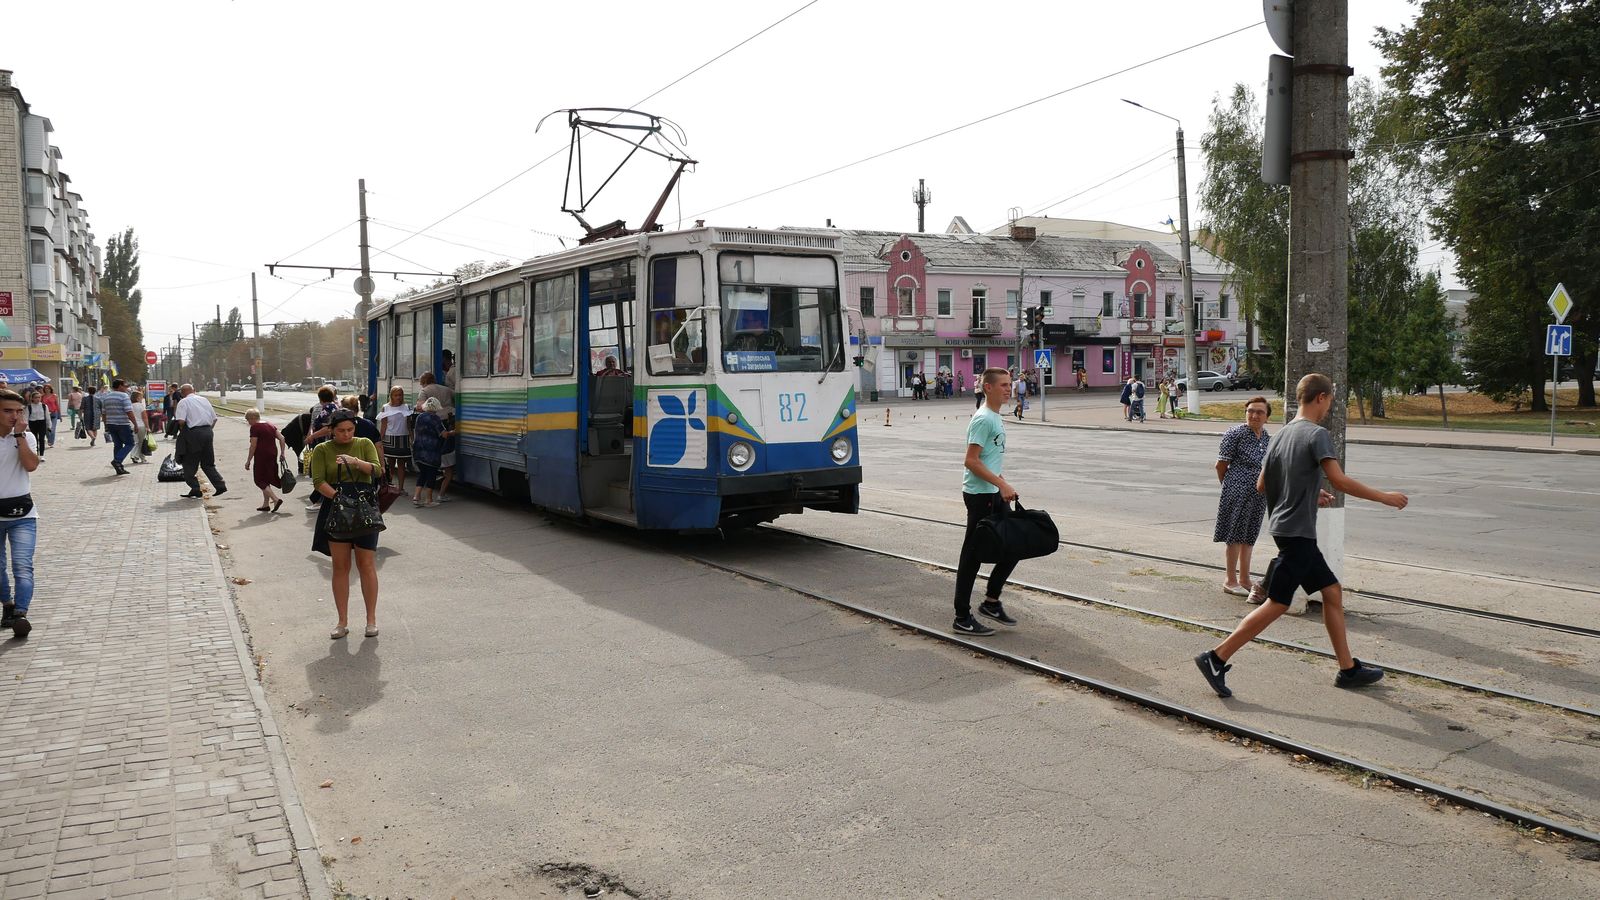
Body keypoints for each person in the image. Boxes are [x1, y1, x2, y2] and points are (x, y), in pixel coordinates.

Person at [1194, 374, 1409, 698]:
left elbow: (1262, 485)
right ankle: (1216, 657)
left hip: (1286, 529)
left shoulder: (1278, 437)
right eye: (1330, 401)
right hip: (1298, 533)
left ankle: (1348, 669)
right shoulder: (1316, 434)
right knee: (1277, 603)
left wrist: (1310, 494)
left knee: (1332, 593)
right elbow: (1340, 480)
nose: (1328, 408)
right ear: (1321, 398)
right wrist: (1385, 497)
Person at [951, 367, 1022, 637]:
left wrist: (1003, 482)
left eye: (1009, 384)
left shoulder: (995, 416)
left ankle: (991, 602)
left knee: (1013, 545)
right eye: (1003, 385)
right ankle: (961, 616)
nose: (1008, 388)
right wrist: (1001, 484)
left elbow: (989, 459)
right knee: (972, 556)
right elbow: (970, 461)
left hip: (992, 492)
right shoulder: (984, 419)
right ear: (988, 388)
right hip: (980, 497)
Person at [309, 410, 382, 639]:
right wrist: (340, 500)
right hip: (336, 508)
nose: (346, 435)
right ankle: (342, 622)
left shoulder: (364, 443)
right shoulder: (322, 449)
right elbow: (318, 481)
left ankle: (371, 620)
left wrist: (355, 461)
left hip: (364, 509)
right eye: (341, 431)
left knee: (366, 564)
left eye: (350, 430)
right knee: (340, 567)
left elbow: (377, 470)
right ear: (331, 430)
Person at [1215, 397, 1272, 599]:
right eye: (1250, 411)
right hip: (1237, 491)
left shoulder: (1266, 437)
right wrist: (1232, 486)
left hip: (1259, 493)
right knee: (1235, 535)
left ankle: (1245, 579)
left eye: (1259, 412)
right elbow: (1220, 465)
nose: (1254, 415)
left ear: (1267, 417)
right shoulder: (1235, 433)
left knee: (1249, 535)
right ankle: (1230, 580)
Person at [0, 388, 41, 640]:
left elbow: (31, 465)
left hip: (22, 513)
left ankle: (21, 614)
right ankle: (8, 605)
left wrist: (19, 436)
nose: (14, 416)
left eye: (18, 411)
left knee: (23, 566)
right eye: (7, 411)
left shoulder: (26, 436)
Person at [174, 383, 227, 499]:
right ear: (194, 390)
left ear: (182, 393)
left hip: (193, 433)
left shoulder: (183, 402)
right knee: (208, 463)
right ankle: (220, 485)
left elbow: (181, 421)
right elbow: (214, 418)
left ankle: (195, 488)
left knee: (189, 462)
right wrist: (207, 431)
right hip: (208, 432)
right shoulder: (204, 400)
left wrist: (186, 434)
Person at [418, 372, 457, 502]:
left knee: (438, 457)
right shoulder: (446, 389)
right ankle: (441, 493)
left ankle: (421, 496)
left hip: (437, 427)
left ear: (423, 382)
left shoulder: (424, 391)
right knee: (448, 457)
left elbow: (421, 406)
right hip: (449, 421)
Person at [245, 409, 289, 513]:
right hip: (273, 454)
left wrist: (248, 460)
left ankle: (275, 499)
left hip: (262, 456)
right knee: (266, 479)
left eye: (248, 420)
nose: (248, 422)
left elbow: (253, 445)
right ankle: (266, 504)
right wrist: (282, 453)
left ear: (252, 418)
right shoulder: (270, 425)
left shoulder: (255, 427)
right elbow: (282, 438)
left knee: (259, 480)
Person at [302, 386, 340, 511]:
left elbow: (328, 429)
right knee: (325, 473)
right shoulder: (333, 407)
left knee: (320, 473)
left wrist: (311, 436)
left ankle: (320, 501)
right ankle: (321, 499)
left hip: (326, 446)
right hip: (327, 445)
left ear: (320, 398)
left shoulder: (327, 410)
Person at [411, 397, 452, 507]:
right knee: (431, 475)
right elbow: (444, 434)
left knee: (422, 474)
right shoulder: (435, 419)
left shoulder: (419, 417)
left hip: (418, 450)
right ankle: (428, 500)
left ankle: (416, 497)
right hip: (431, 452)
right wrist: (453, 432)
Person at [97, 379, 139, 475]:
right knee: (130, 443)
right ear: (120, 386)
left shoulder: (106, 397)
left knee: (117, 445)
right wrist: (135, 424)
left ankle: (119, 467)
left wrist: (105, 425)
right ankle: (117, 461)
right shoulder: (124, 396)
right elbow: (129, 411)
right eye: (125, 385)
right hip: (122, 424)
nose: (126, 387)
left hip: (111, 424)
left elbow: (103, 413)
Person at [376, 386, 412, 494]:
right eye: (396, 395)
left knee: (402, 465)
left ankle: (401, 488)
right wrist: (379, 440)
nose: (398, 397)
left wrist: (412, 438)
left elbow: (409, 424)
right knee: (391, 465)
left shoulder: (406, 407)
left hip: (403, 438)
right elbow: (383, 425)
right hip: (389, 438)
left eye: (400, 395)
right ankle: (390, 487)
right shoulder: (385, 407)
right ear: (391, 396)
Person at [24, 389, 49, 462]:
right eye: (36, 397)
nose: (38, 399)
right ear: (32, 398)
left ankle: (41, 455)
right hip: (32, 423)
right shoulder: (29, 407)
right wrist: (27, 427)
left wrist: (49, 425)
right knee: (34, 439)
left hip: (42, 423)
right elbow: (26, 417)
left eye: (39, 397)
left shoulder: (44, 406)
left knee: (41, 439)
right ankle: (35, 454)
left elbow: (47, 416)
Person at [126, 388, 149, 464]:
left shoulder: (129, 406)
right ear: (137, 398)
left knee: (135, 442)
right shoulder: (141, 406)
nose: (142, 398)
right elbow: (145, 417)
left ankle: (134, 455)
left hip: (131, 426)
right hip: (141, 426)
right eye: (141, 397)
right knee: (141, 443)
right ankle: (141, 458)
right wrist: (147, 427)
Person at [40, 384, 60, 448]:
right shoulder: (42, 397)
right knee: (46, 429)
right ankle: (49, 439)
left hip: (54, 413)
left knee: (52, 429)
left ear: (50, 389)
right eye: (45, 388)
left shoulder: (54, 396)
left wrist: (59, 415)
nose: (47, 389)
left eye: (48, 388)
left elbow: (57, 405)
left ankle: (51, 442)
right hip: (45, 414)